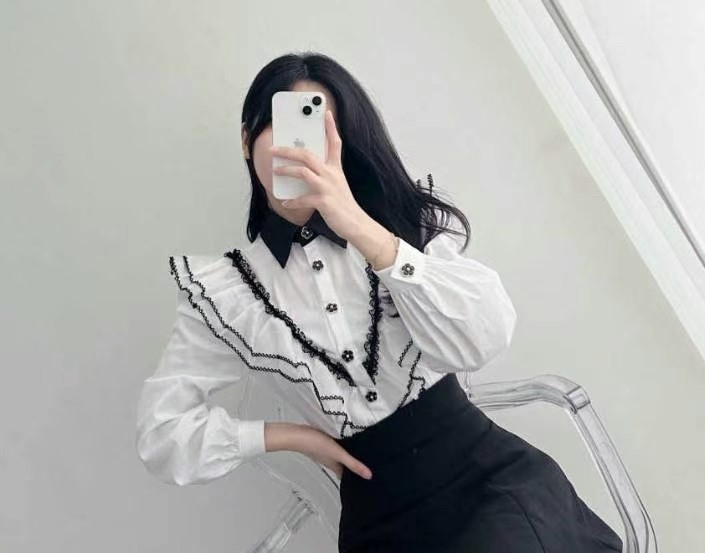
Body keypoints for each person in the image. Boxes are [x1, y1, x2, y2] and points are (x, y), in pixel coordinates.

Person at [135, 51, 623, 552]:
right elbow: (162, 435)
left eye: (316, 132)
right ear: (246, 140)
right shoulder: (223, 295)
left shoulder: (399, 223)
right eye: (283, 127)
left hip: (487, 483)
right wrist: (291, 436)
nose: (297, 151)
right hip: (377, 521)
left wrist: (362, 229)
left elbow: (486, 336)